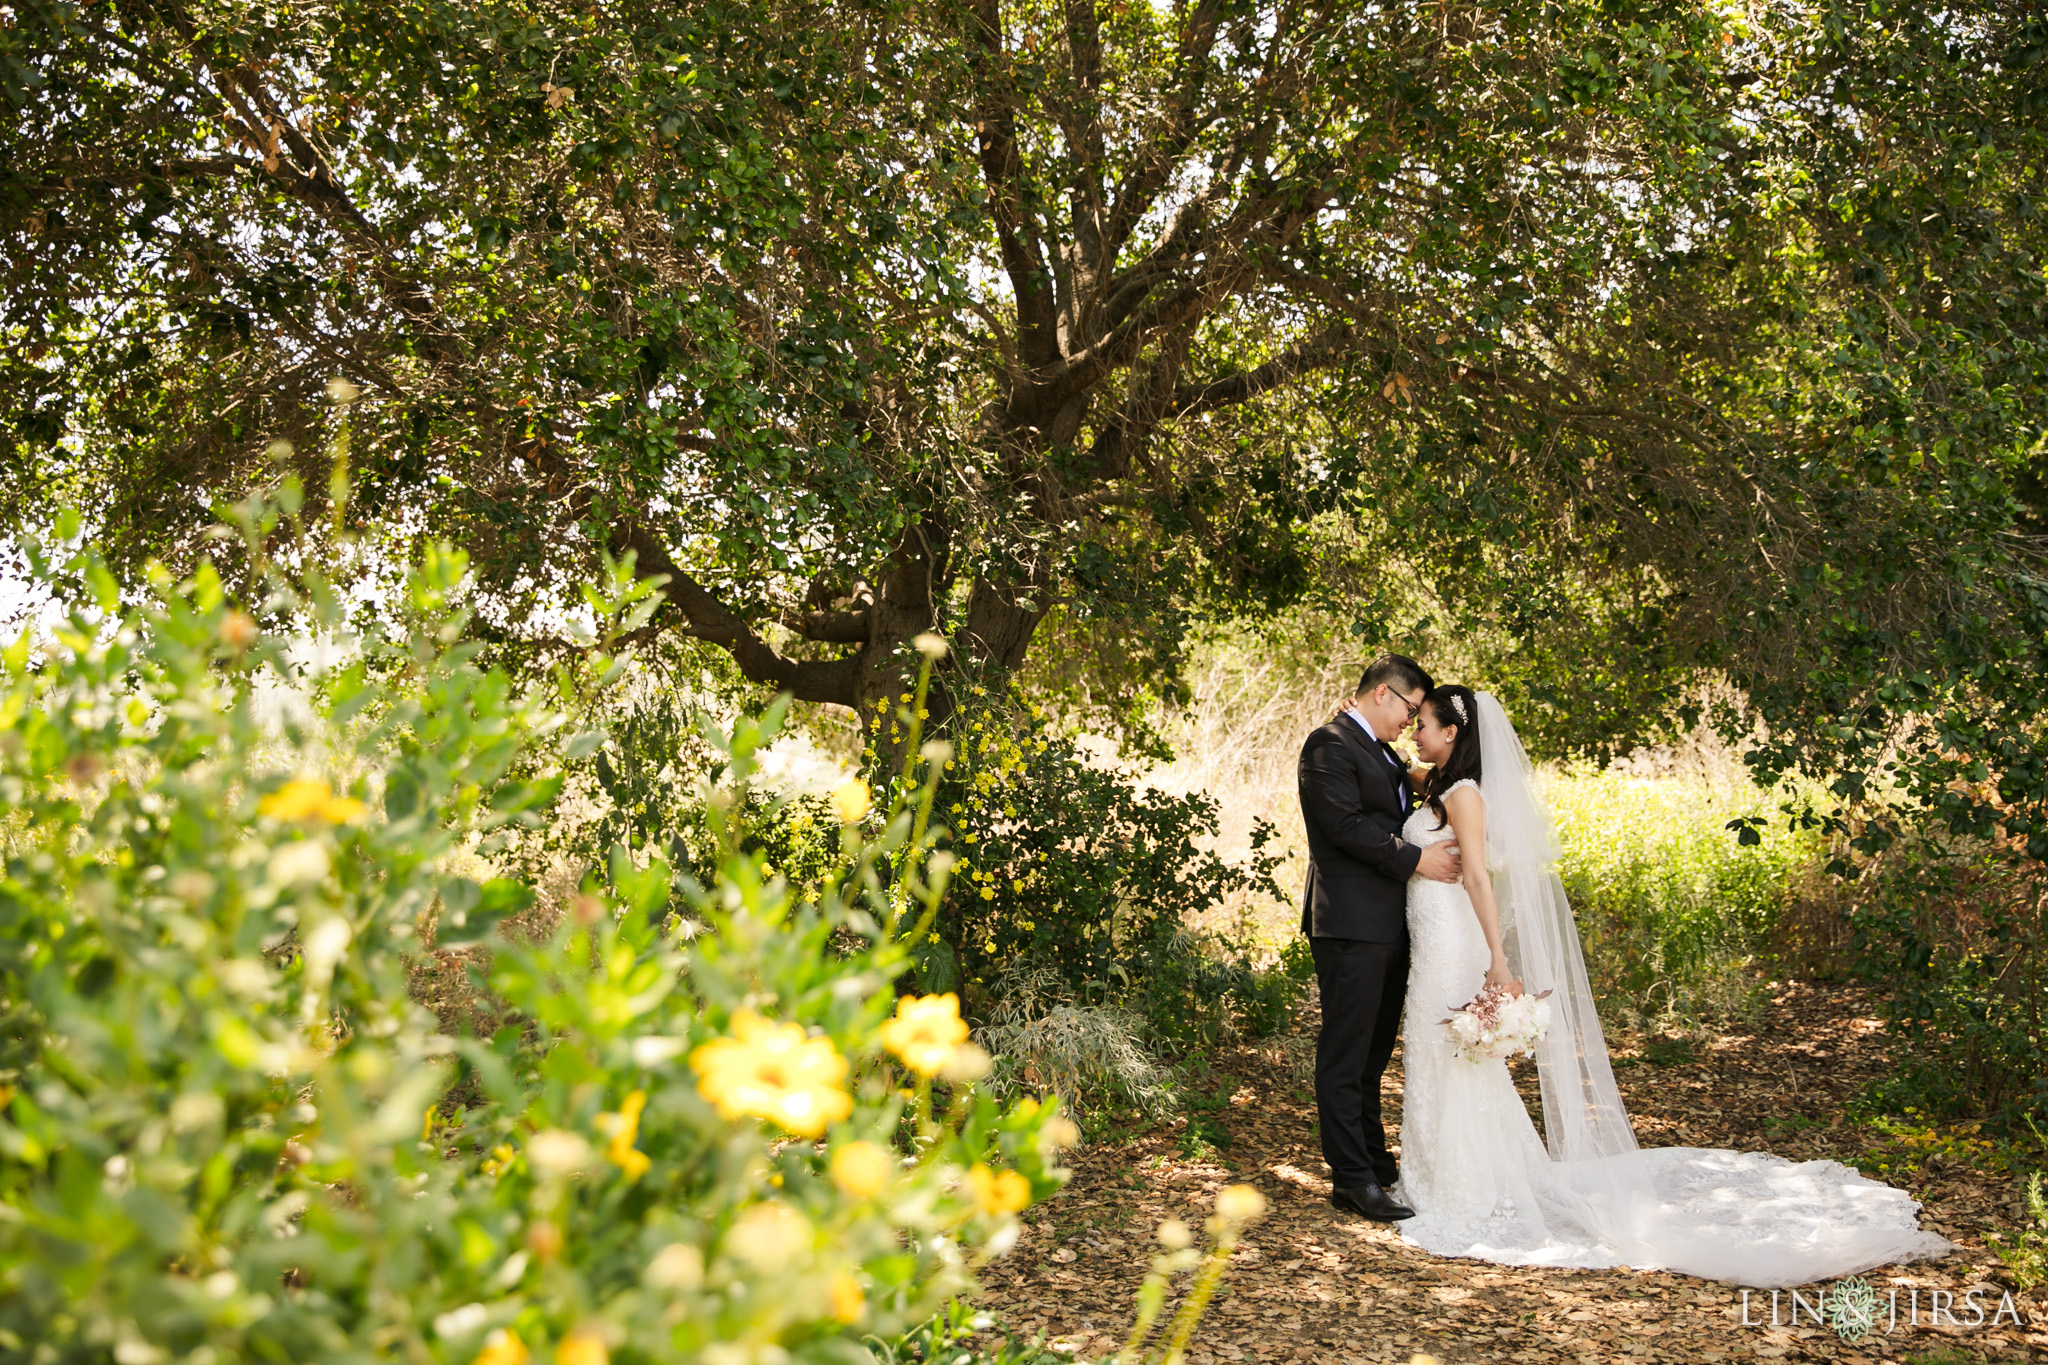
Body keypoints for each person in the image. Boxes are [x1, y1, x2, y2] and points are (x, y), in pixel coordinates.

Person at [1391, 683, 1954, 1286]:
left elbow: (1477, 877)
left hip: (1455, 942)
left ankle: (1466, 1185)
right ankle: (1441, 1173)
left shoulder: (1466, 796)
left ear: (1452, 733)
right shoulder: (1442, 789)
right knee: (1439, 1056)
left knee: (1455, 1056)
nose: (1415, 733)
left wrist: (1499, 961)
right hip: (1433, 939)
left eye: (1422, 723)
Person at [1296, 654, 1463, 1221]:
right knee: (1346, 1053)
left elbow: (1401, 791)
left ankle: (1373, 1159)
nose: (1411, 723)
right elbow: (1343, 827)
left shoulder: (1380, 751)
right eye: (1411, 710)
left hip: (1389, 926)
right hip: (1347, 923)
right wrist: (1417, 860)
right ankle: (1350, 1180)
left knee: (1372, 1054)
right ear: (1384, 694)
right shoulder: (1328, 745)